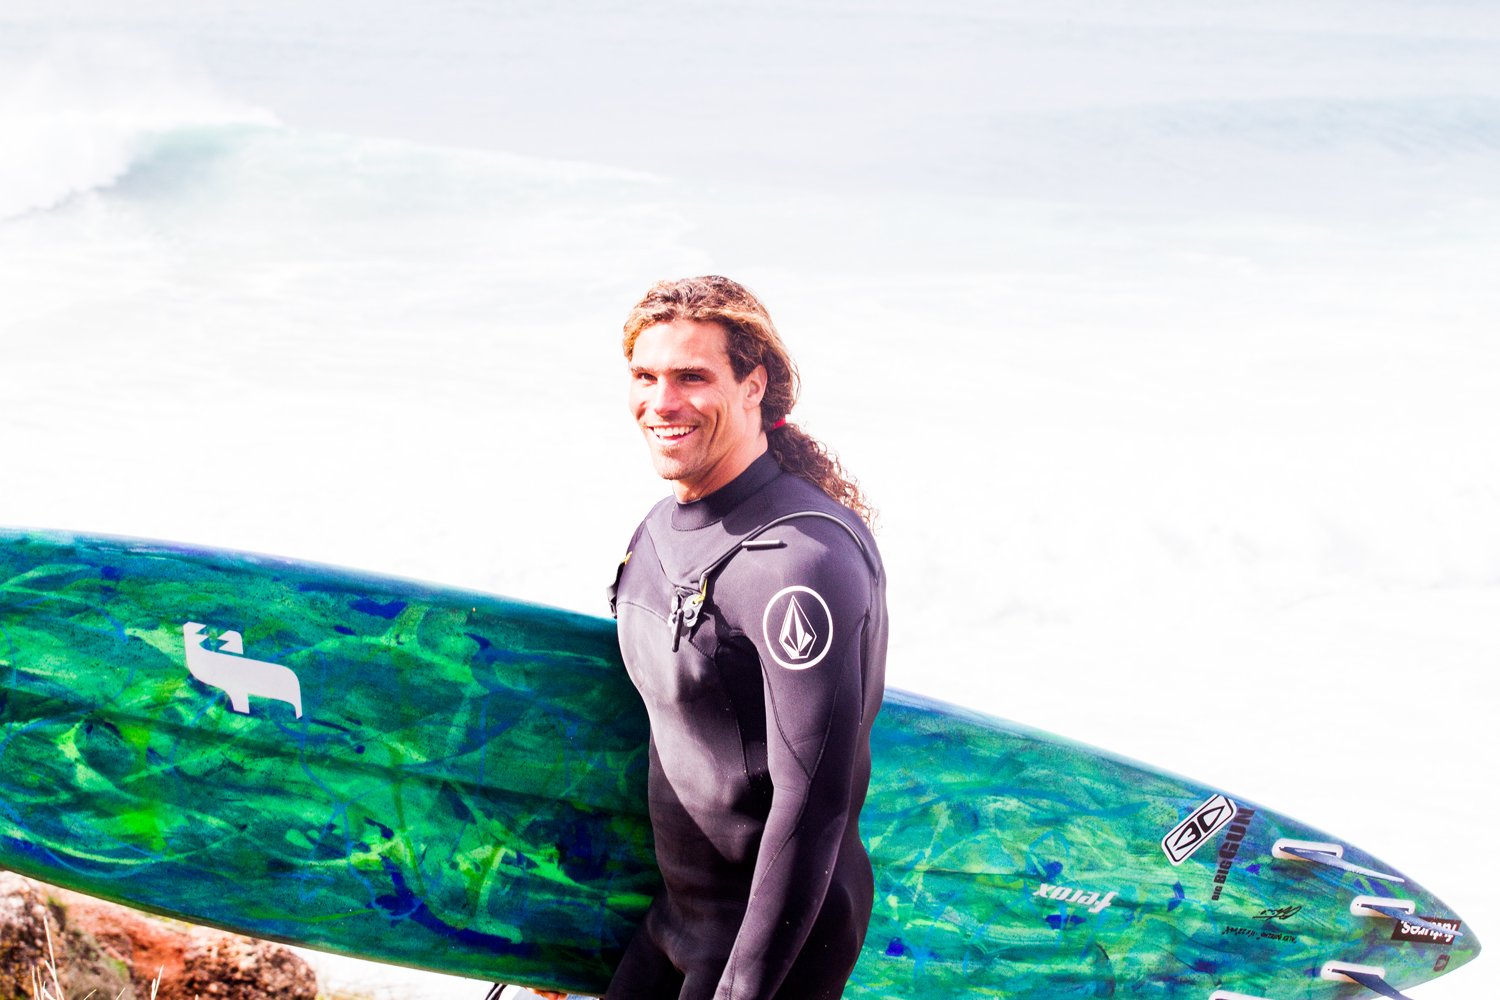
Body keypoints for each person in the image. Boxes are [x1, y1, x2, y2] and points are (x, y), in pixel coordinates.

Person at [604, 275, 888, 1000]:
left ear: (753, 386)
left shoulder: (801, 560)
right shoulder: (657, 534)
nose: (661, 402)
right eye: (645, 376)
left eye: (692, 377)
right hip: (675, 921)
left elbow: (814, 802)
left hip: (774, 947)